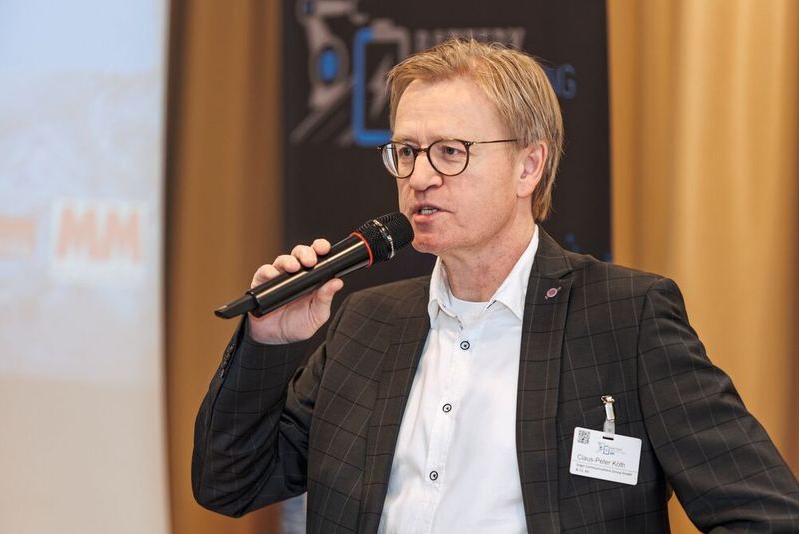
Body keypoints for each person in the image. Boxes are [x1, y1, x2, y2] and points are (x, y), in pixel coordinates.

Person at [192, 38, 799, 533]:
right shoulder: (367, 324)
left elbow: (765, 515)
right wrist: (266, 345)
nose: (420, 176)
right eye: (405, 151)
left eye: (450, 151)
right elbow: (230, 483)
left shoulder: (626, 318)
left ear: (528, 167)